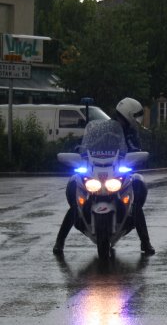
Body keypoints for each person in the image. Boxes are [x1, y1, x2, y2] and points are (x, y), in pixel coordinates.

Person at [53, 97, 155, 256]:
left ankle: (145, 242)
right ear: (128, 114)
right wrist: (78, 151)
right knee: (74, 189)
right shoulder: (102, 128)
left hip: (118, 171)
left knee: (137, 189)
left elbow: (136, 150)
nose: (136, 120)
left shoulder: (131, 134)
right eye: (135, 116)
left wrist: (137, 159)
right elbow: (84, 143)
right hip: (95, 169)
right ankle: (59, 242)